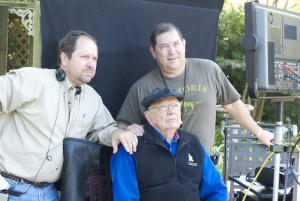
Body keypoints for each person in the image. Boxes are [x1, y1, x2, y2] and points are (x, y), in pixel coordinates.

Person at [0, 30, 137, 201]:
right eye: (84, 57)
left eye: (94, 59)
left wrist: (116, 133)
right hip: (9, 188)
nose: (91, 64)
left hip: (49, 193)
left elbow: (104, 128)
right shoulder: (33, 80)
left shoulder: (92, 98)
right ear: (64, 58)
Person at [117, 22, 274, 152]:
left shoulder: (209, 70)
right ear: (153, 51)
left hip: (203, 168)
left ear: (184, 44)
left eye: (176, 44)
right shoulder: (141, 87)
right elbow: (122, 124)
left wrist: (259, 132)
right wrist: (128, 130)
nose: (172, 51)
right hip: (160, 172)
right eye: (164, 46)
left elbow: (232, 104)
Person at [111, 87, 228, 201]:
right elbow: (125, 197)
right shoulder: (131, 147)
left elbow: (216, 189)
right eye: (163, 107)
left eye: (175, 106)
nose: (171, 111)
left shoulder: (193, 143)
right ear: (148, 117)